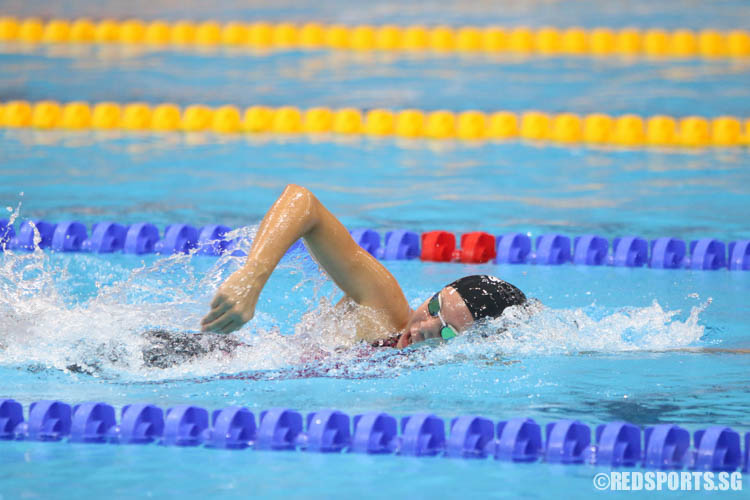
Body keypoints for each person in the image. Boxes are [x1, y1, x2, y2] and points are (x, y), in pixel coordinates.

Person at [201, 184, 527, 349]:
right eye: (434, 307)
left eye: (446, 330)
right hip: (202, 353)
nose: (423, 327)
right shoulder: (384, 310)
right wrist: (251, 278)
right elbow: (302, 202)